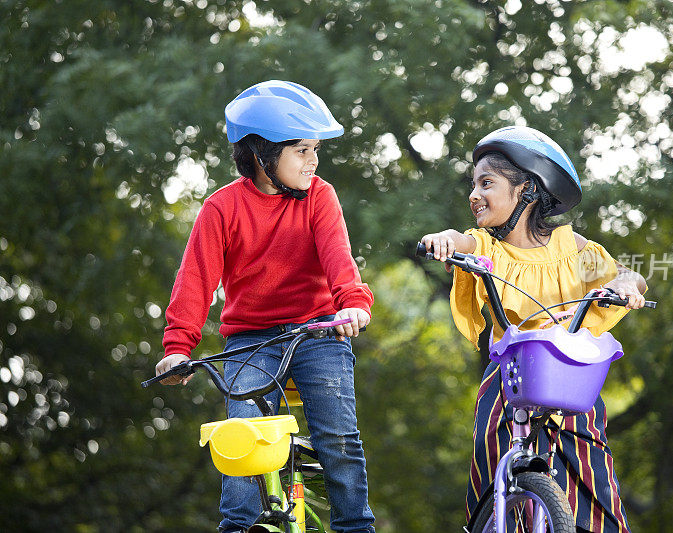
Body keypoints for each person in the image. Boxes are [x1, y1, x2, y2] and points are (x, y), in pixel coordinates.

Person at [156, 80, 376, 533]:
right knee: (245, 435)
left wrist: (352, 305)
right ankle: (238, 527)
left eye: (315, 149)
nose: (313, 160)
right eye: (301, 150)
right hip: (253, 338)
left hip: (318, 329)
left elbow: (339, 258)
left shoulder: (320, 197)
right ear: (262, 155)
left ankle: (355, 527)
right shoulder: (221, 209)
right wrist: (178, 346)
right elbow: (196, 280)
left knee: (338, 438)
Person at [420, 125, 647, 533]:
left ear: (525, 189)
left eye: (486, 183)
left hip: (570, 376)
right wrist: (443, 240)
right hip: (510, 377)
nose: (474, 194)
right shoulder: (486, 246)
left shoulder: (570, 247)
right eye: (472, 184)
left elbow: (625, 274)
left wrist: (625, 284)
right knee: (492, 457)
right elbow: (460, 241)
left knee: (594, 474)